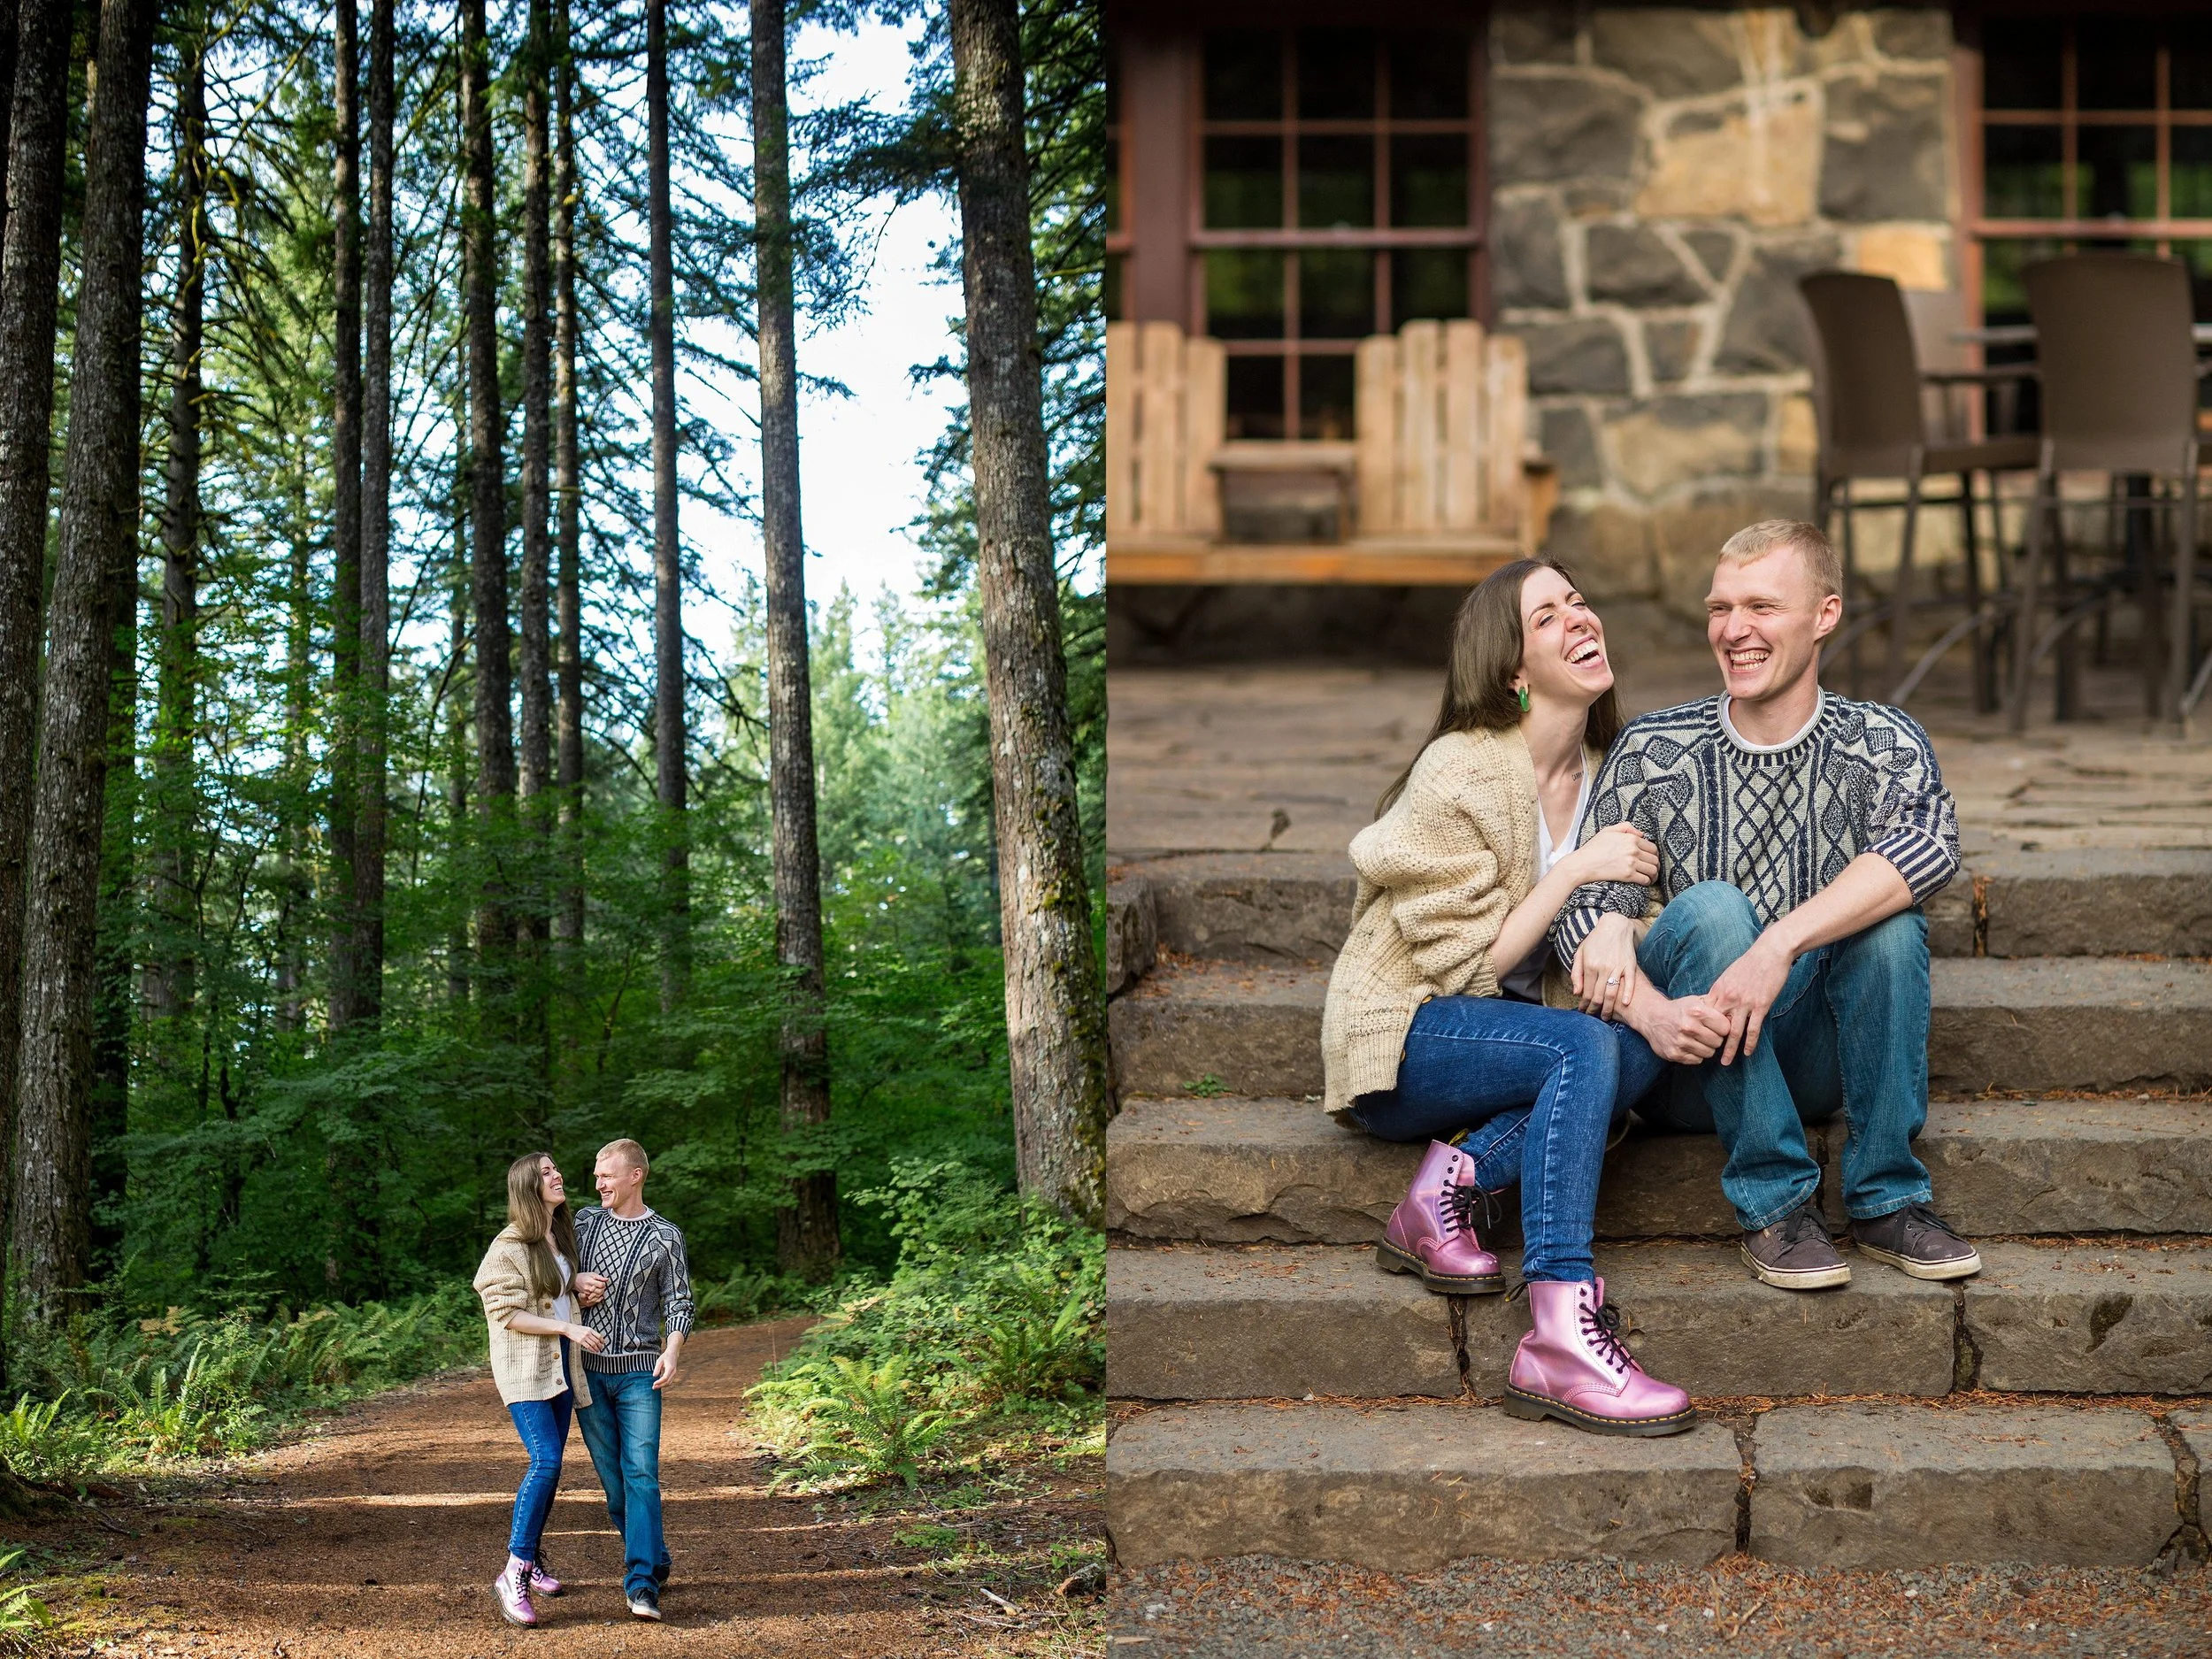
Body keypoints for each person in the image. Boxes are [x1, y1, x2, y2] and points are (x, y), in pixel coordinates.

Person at [1321, 558, 1729, 1438]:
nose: (1580, 618)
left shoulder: (1615, 776)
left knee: (1634, 1040)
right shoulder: (1459, 771)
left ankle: (1445, 1194)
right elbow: (1473, 965)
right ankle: (1556, 1330)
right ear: (1511, 668)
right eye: (1548, 616)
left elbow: (1640, 918)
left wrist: (1623, 936)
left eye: (1580, 601)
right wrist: (1580, 869)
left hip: (1529, 1041)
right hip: (1414, 1035)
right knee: (1585, 1047)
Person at [1555, 518, 1980, 1293]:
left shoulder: (1882, 741)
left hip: (1816, 1051)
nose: (1734, 630)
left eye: (1761, 606)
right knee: (1714, 909)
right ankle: (1777, 1204)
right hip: (1686, 1062)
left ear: (1826, 615)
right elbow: (1584, 911)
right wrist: (1644, 994)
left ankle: (1887, 1199)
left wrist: (1776, 945)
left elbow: (1927, 850)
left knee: (1891, 920)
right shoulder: (1655, 747)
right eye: (1721, 608)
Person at [472, 1150, 605, 1628]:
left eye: (556, 1169)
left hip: (563, 1371)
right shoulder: (509, 1244)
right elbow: (505, 1312)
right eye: (546, 1172)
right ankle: (514, 1570)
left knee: (552, 1467)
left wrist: (578, 1289)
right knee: (545, 1461)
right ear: (528, 1186)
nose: (558, 1175)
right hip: (527, 1373)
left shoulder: (557, 1237)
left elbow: (550, 1297)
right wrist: (569, 1330)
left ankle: (534, 1559)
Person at [572, 1138, 694, 1621]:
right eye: (596, 1176)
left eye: (606, 1175)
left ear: (635, 1176)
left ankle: (641, 1581)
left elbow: (679, 1300)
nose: (598, 1183)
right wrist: (574, 1283)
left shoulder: (666, 1235)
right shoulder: (582, 1224)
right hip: (588, 1374)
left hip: (641, 1373)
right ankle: (655, 1556)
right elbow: (546, 1272)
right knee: (615, 1485)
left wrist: (673, 1348)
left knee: (641, 1473)